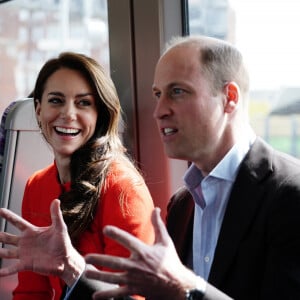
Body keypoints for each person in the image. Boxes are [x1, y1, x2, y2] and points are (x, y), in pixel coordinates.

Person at [1, 35, 300, 300]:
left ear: (229, 98)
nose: (159, 111)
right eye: (158, 94)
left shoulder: (291, 194)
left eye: (177, 92)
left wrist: (187, 289)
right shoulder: (183, 205)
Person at [0, 52, 154, 300]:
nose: (68, 114)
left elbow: (129, 296)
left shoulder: (123, 188)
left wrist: (71, 268)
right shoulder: (37, 185)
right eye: (56, 100)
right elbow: (31, 292)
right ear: (38, 110)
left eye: (83, 103)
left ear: (100, 115)